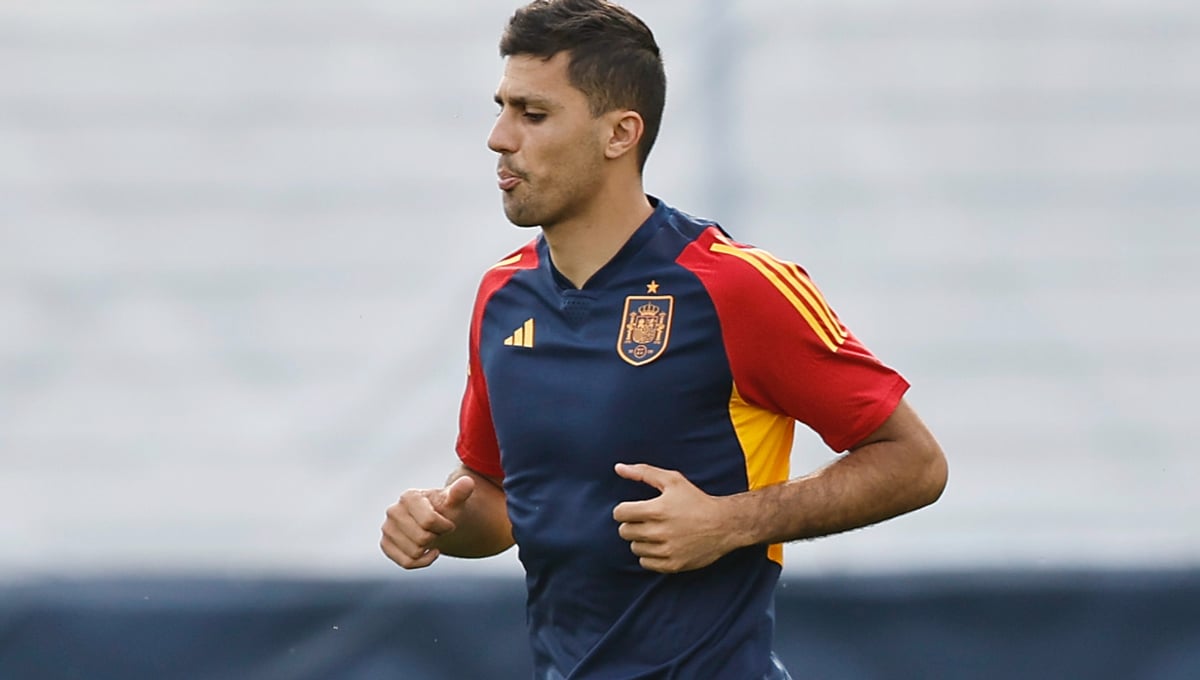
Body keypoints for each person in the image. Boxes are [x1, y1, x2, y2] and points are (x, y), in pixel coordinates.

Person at [380, 0, 948, 677]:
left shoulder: (735, 286)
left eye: (533, 114)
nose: (499, 138)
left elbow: (914, 462)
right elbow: (496, 499)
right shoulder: (502, 296)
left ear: (620, 134)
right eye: (501, 108)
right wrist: (441, 520)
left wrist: (731, 522)